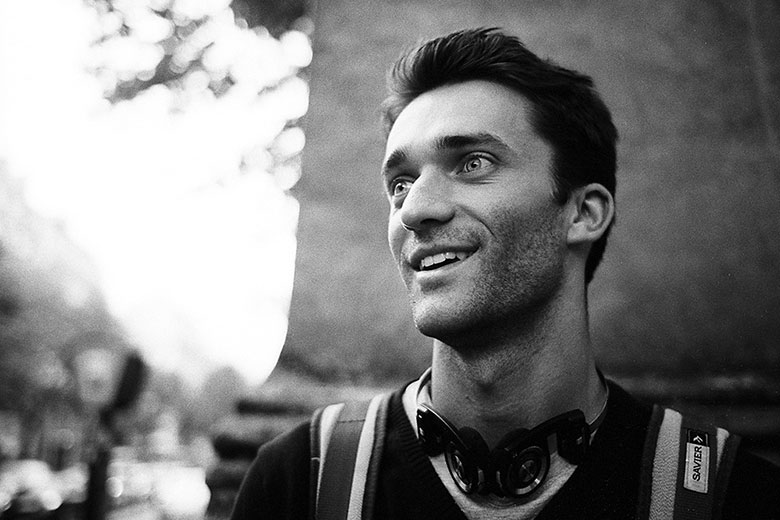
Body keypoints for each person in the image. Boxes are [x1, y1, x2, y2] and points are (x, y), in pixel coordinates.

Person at [230, 28, 780, 519]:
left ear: (583, 214)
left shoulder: (729, 497)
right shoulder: (302, 483)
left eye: (473, 163)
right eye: (400, 183)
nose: (414, 209)